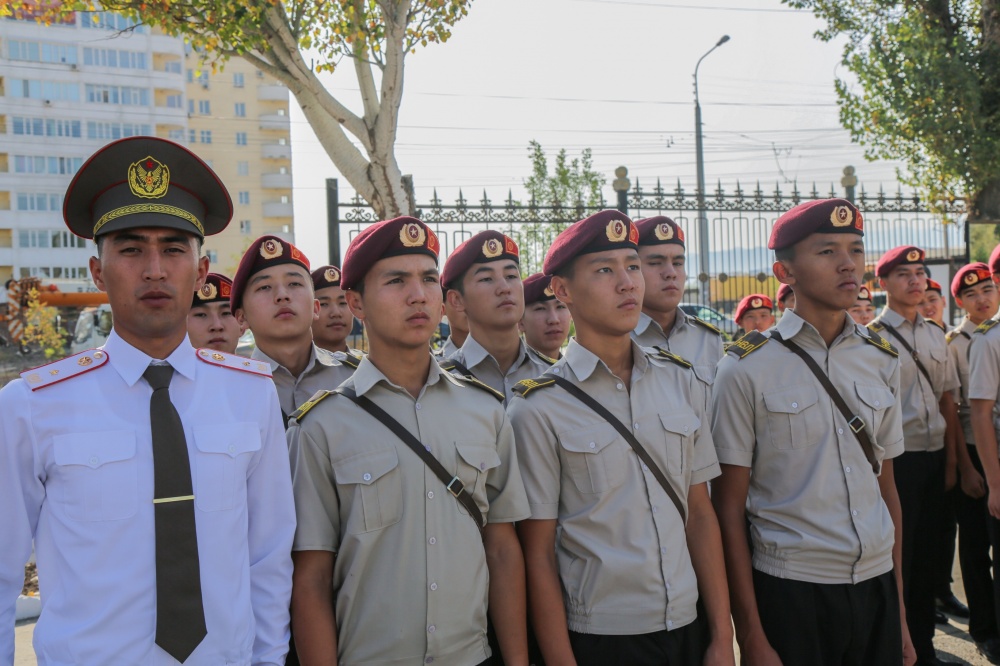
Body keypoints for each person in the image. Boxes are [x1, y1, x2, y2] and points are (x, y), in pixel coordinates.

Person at [0, 136, 295, 664]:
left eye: (175, 249)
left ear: (201, 272)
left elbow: (267, 558)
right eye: (132, 249)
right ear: (97, 272)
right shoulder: (32, 406)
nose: (155, 269)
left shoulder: (250, 394)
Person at [287, 216, 530, 666]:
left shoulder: (485, 411)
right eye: (396, 280)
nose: (417, 295)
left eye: (428, 279)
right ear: (356, 302)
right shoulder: (321, 426)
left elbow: (501, 549)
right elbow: (312, 580)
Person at [509, 210, 734, 666]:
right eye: (605, 270)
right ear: (564, 291)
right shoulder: (537, 407)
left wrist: (720, 636)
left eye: (632, 266)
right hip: (602, 637)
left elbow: (700, 516)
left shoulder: (681, 381)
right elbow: (538, 554)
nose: (628, 283)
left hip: (688, 626)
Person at [711, 198, 914, 666]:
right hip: (793, 592)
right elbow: (728, 509)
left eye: (856, 249)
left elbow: (887, 489)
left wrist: (899, 612)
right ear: (786, 272)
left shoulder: (880, 359)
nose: (848, 264)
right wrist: (752, 636)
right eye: (826, 251)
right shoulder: (745, 370)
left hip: (876, 585)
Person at [871, 245, 962, 666]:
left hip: (935, 456)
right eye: (903, 274)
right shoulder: (872, 338)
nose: (915, 281)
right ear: (882, 283)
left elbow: (947, 400)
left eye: (920, 273)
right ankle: (896, 647)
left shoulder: (933, 333)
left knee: (928, 560)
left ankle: (924, 649)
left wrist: (952, 462)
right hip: (898, 463)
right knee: (898, 564)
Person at [231, 235, 353, 423]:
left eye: (294, 284)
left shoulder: (356, 378)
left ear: (315, 308)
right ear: (241, 318)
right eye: (264, 287)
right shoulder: (225, 391)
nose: (282, 295)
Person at [946, 262, 1000, 662]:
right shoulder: (957, 341)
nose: (982, 299)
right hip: (973, 449)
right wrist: (965, 467)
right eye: (972, 294)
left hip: (992, 450)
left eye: (987, 290)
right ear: (960, 302)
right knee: (976, 546)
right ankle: (984, 627)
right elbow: (958, 409)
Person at [441, 230, 551, 402]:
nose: (505, 287)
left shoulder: (553, 374)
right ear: (456, 300)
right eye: (486, 279)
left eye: (511, 276)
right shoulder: (443, 382)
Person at [631, 216, 724, 399]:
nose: (671, 273)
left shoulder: (707, 339)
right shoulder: (618, 340)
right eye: (655, 263)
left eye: (678, 263)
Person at [518, 272, 570, 361]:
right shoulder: (508, 373)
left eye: (560, 307)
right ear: (520, 322)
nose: (554, 319)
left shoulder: (580, 371)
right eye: (540, 308)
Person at [187, 272, 243, 354]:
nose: (217, 326)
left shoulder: (262, 367)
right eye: (201, 314)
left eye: (226, 313)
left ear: (242, 325)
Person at [310, 265, 358, 358]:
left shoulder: (367, 366)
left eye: (343, 303)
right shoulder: (294, 370)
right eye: (324, 304)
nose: (336, 313)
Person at [437, 286, 470, 357]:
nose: (469, 306)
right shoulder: (433, 366)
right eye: (457, 299)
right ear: (442, 308)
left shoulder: (498, 358)